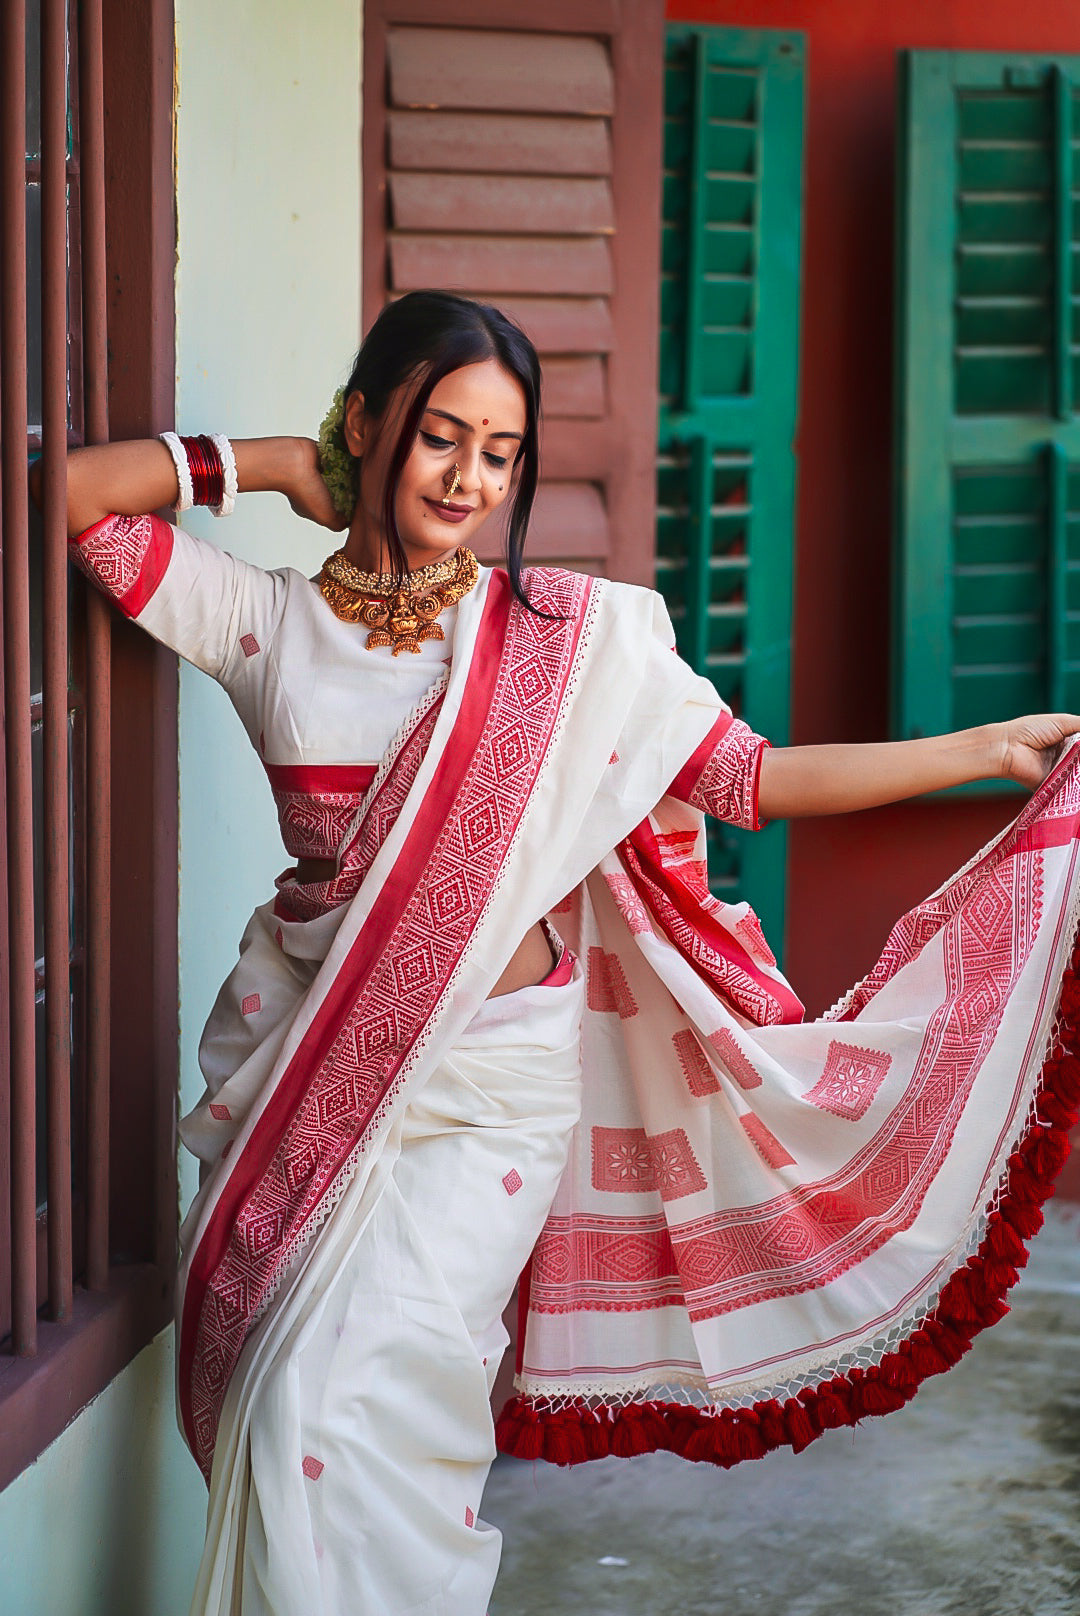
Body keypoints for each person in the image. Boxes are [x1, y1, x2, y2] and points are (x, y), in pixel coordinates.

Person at [54, 290, 1080, 1616]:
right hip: (316, 1066)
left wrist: (979, 754)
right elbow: (72, 499)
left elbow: (748, 776)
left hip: (493, 1092)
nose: (468, 479)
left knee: (385, 1418)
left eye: (498, 452)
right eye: (437, 436)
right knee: (280, 1402)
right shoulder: (268, 626)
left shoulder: (568, 643)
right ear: (367, 422)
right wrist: (265, 464)